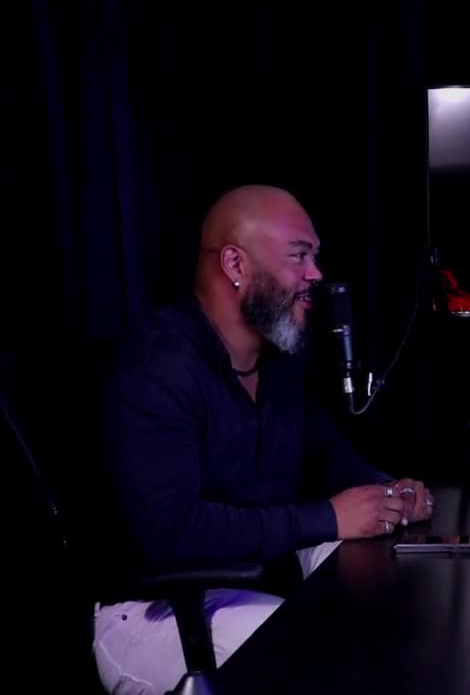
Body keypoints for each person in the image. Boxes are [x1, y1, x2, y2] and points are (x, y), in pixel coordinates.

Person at [91, 185, 436, 694]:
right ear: (235, 264)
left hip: (254, 581)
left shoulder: (274, 362)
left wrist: (388, 492)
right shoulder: (156, 367)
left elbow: (325, 456)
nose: (315, 274)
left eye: (314, 257)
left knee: (395, 587)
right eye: (299, 256)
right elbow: (171, 534)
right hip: (157, 611)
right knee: (324, 656)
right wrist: (329, 517)